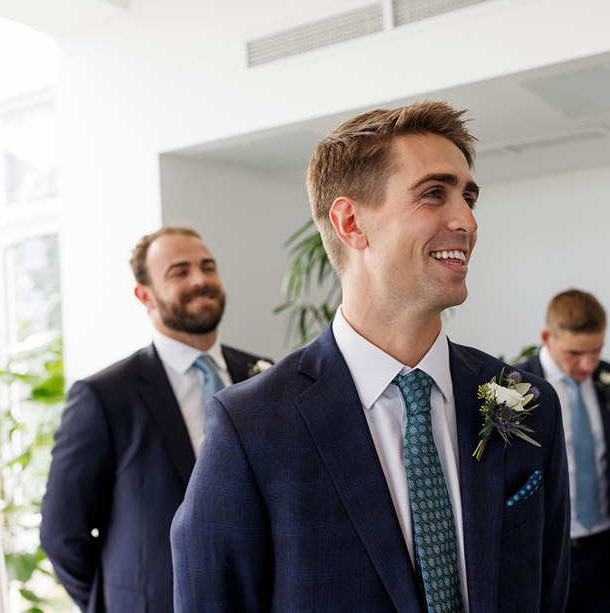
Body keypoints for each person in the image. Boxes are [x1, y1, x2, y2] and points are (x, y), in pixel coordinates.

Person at [171, 101, 570, 613]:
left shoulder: (525, 402)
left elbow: (551, 592)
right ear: (351, 222)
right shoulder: (251, 426)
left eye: (469, 197)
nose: (467, 220)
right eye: (434, 194)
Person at [40, 226, 271, 613]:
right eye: (179, 272)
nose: (200, 280)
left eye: (207, 267)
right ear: (144, 295)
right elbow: (62, 535)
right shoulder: (104, 397)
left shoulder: (265, 376)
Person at [518, 289, 610, 613]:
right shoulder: (510, 387)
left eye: (596, 351)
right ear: (547, 337)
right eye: (574, 353)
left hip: (605, 549)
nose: (588, 364)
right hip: (545, 553)